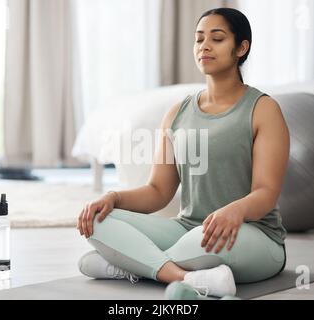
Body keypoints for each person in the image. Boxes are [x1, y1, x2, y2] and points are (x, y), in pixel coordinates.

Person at [77, 7, 289, 300]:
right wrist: (114, 198)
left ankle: (127, 263)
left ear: (241, 48)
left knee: (195, 242)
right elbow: (157, 191)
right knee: (98, 223)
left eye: (217, 38)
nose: (204, 46)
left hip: (251, 233)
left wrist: (235, 210)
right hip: (187, 228)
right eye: (199, 38)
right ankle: (184, 277)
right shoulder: (177, 113)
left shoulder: (264, 110)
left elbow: (267, 192)